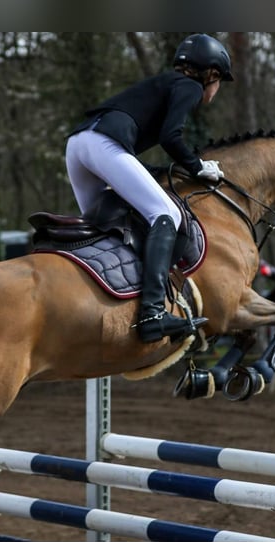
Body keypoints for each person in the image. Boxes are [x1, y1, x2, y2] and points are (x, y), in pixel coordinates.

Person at [65, 33, 234, 343]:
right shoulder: (190, 86)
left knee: (101, 226)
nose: (217, 88)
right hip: (104, 144)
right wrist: (198, 168)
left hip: (78, 145)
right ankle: (153, 312)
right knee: (166, 213)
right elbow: (172, 137)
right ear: (210, 73)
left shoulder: (165, 84)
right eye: (220, 80)